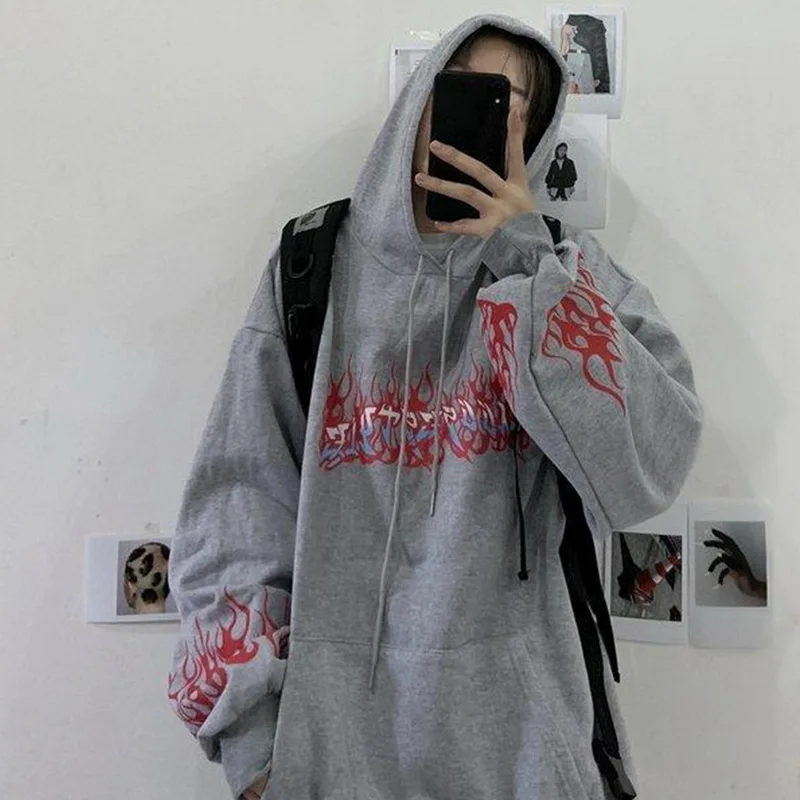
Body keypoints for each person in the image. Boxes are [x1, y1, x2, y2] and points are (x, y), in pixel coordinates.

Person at [167, 13, 702, 800]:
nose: (488, 119)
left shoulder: (566, 270)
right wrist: (252, 744)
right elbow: (235, 512)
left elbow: (648, 468)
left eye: (513, 104)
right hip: (334, 759)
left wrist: (524, 260)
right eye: (467, 91)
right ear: (420, 97)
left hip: (529, 753)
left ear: (535, 131)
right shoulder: (311, 269)